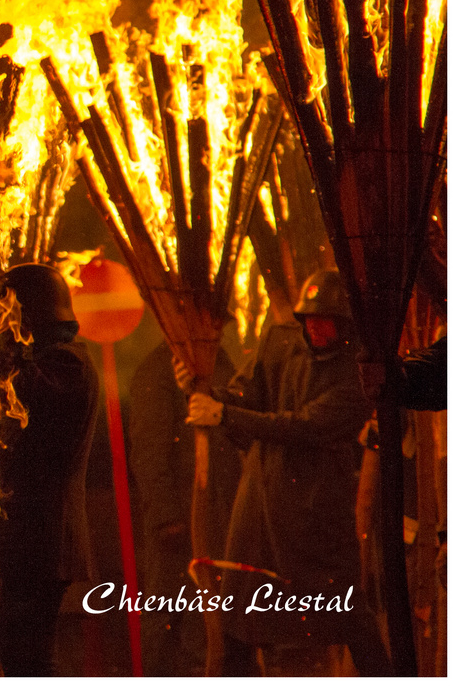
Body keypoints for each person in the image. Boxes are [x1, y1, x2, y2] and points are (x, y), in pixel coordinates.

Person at [183, 269, 392, 676]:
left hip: (315, 508)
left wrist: (225, 413)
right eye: (309, 320)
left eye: (324, 321)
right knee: (238, 616)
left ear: (344, 324)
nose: (315, 328)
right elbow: (249, 393)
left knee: (344, 609)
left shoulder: (357, 372)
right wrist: (207, 393)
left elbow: (304, 426)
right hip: (260, 501)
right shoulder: (281, 343)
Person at [0, 263, 101, 676]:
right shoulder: (62, 360)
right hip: (34, 542)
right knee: (21, 658)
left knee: (31, 662)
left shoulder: (69, 364)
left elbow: (27, 392)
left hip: (43, 541)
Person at [129, 337, 239, 675]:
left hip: (217, 516)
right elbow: (150, 448)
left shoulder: (218, 362)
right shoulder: (157, 370)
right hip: (180, 520)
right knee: (171, 614)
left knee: (208, 616)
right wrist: (166, 517)